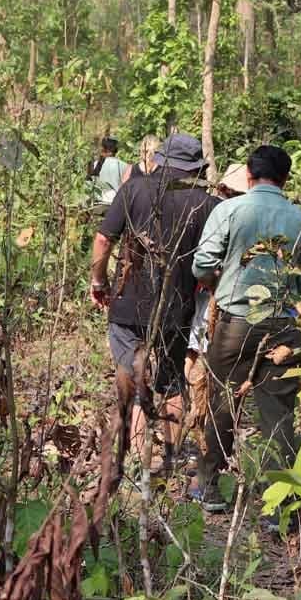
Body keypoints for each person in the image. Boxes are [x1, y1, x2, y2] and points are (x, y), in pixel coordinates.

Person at [190, 145, 301, 512]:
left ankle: (211, 489)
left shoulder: (229, 210)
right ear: (286, 178)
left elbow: (202, 264)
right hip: (283, 323)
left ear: (248, 175)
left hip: (236, 321)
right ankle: (279, 506)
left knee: (222, 404)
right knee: (279, 414)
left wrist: (219, 284)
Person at [90, 133, 220, 472]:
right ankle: (168, 455)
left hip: (128, 303)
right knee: (172, 380)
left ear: (160, 159)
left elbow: (104, 238)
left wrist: (98, 280)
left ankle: (137, 461)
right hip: (178, 308)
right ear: (195, 167)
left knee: (133, 377)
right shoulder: (207, 203)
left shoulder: (133, 189)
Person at [182, 162, 250, 456]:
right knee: (198, 368)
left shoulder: (242, 218)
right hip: (205, 305)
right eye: (233, 193)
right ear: (222, 190)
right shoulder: (213, 215)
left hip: (226, 311)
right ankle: (201, 436)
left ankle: (209, 437)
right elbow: (202, 265)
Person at [88, 136, 128, 206]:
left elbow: (89, 184)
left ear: (103, 148)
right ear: (116, 150)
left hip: (98, 202)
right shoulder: (125, 166)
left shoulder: (95, 164)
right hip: (116, 203)